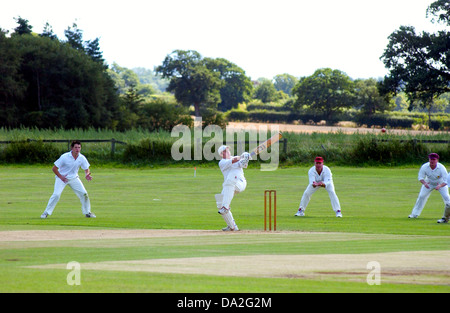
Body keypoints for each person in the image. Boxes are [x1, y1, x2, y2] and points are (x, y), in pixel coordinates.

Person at [41, 140, 96, 219]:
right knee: (56, 195)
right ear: (72, 148)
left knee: (84, 194)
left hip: (74, 178)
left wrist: (87, 174)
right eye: (76, 147)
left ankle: (87, 212)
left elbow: (86, 168)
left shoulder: (81, 158)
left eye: (79, 147)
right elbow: (54, 168)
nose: (77, 149)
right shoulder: (65, 157)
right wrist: (61, 177)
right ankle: (46, 212)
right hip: (61, 178)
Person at [215, 145, 251, 231]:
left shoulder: (235, 158)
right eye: (224, 151)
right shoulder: (222, 162)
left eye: (227, 150)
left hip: (239, 183)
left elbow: (243, 164)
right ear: (221, 154)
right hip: (229, 186)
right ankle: (232, 226)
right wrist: (242, 156)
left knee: (230, 179)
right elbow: (233, 161)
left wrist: (246, 158)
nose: (227, 152)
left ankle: (226, 207)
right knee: (220, 203)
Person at [409, 153, 449, 219]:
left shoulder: (441, 168)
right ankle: (414, 214)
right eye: (431, 159)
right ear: (429, 159)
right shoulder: (424, 166)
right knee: (421, 196)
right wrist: (425, 183)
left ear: (437, 160)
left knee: (447, 198)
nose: (432, 161)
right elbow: (420, 177)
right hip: (428, 183)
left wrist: (440, 186)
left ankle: (448, 215)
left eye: (434, 159)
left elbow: (446, 180)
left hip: (440, 183)